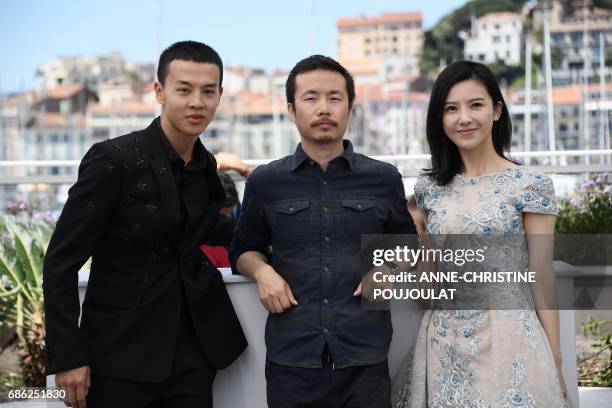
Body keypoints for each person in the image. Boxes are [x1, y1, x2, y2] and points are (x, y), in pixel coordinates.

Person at [43, 40, 247, 408]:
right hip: (117, 357)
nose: (196, 102)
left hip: (192, 356)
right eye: (184, 90)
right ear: (159, 92)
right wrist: (68, 356)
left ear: (220, 96)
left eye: (208, 91)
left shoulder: (206, 167)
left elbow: (211, 233)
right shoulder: (114, 160)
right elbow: (60, 261)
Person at [230, 55, 416, 408]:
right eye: (311, 98)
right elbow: (243, 249)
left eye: (335, 97)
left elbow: (407, 243)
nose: (324, 108)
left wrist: (388, 267)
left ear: (350, 107)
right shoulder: (266, 182)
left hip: (365, 355)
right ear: (291, 108)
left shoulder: (383, 177)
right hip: (293, 358)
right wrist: (263, 272)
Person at [392, 60, 569, 407]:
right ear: (439, 119)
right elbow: (427, 284)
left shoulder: (531, 184)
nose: (464, 118)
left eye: (476, 105)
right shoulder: (429, 188)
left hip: (510, 338)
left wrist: (556, 358)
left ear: (497, 110)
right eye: (451, 109)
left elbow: (542, 275)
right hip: (443, 342)